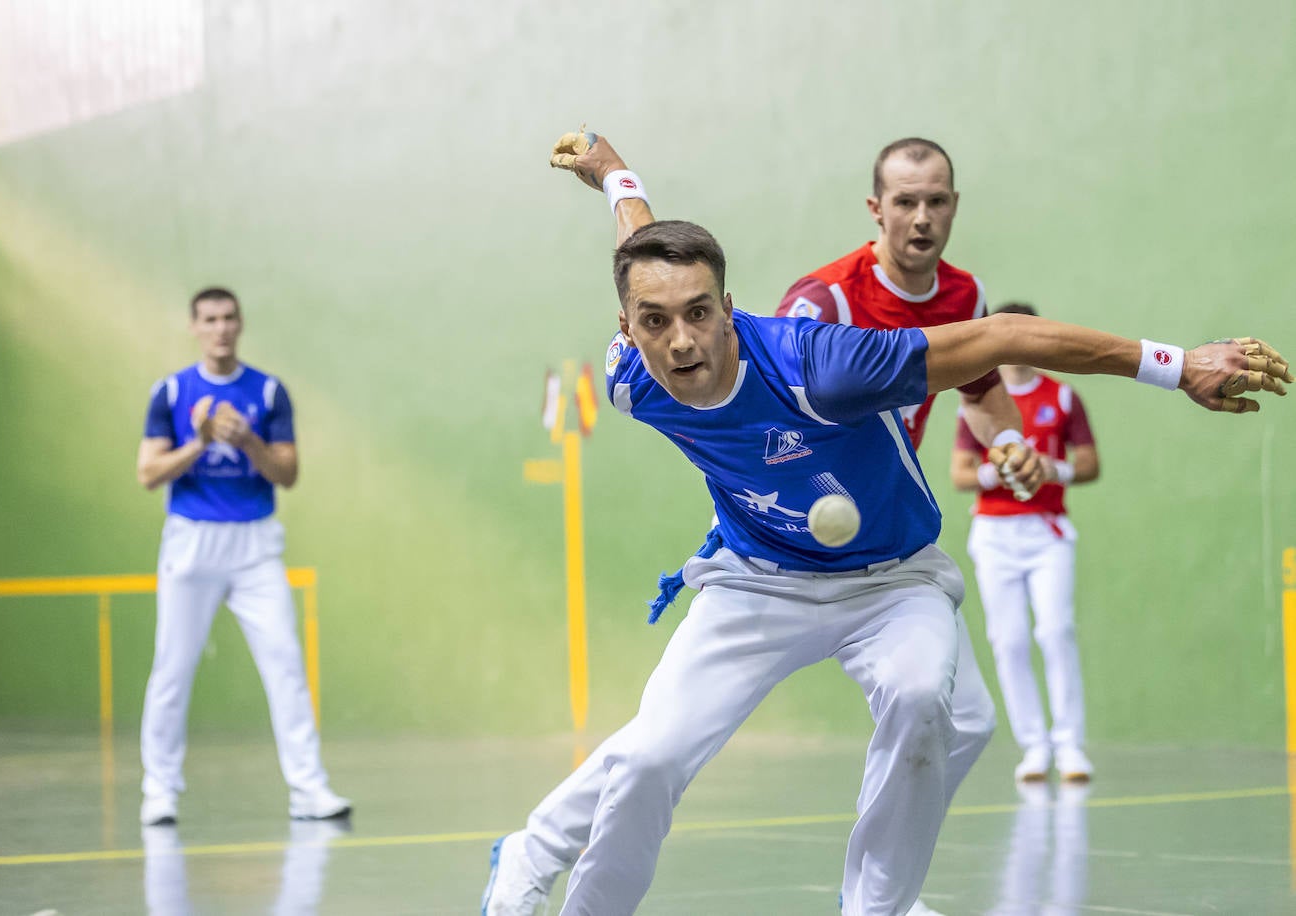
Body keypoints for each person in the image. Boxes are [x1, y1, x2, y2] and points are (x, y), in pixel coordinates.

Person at [484, 158, 1288, 915]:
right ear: (626, 326)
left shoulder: (823, 367)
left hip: (891, 581)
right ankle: (549, 871)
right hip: (755, 579)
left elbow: (1003, 336)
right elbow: (647, 249)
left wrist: (1176, 364)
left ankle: (875, 908)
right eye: (655, 322)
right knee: (653, 756)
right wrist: (614, 173)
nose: (683, 341)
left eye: (701, 314)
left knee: (928, 704)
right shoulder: (631, 378)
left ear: (728, 309)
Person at [485, 132, 1038, 916]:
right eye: (905, 202)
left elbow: (983, 379)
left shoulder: (959, 294)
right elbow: (672, 292)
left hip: (888, 553)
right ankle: (540, 848)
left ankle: (880, 895)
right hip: (769, 562)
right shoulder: (816, 313)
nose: (922, 217)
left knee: (956, 717)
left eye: (936, 200)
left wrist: (613, 175)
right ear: (876, 210)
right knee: (656, 749)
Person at [135, 287, 350, 826]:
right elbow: (147, 474)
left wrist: (249, 440)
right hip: (191, 543)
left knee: (285, 666)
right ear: (194, 327)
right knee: (172, 669)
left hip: (255, 547)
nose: (221, 328)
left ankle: (309, 790)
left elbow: (288, 474)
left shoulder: (269, 392)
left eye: (229, 318)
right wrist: (201, 441)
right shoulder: (170, 392)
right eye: (209, 319)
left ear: (240, 323)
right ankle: (159, 791)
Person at [950, 302, 1101, 783]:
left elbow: (1090, 464)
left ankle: (1071, 746)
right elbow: (960, 473)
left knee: (1055, 631)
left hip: (1047, 531)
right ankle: (1034, 747)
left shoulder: (1062, 397)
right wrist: (1004, 469)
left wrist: (1053, 469)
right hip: (994, 535)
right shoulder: (976, 400)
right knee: (1008, 640)